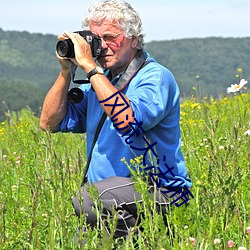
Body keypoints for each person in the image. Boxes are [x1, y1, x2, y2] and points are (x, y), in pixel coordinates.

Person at [40, 0, 192, 245]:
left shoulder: (154, 77)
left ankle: (147, 239)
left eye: (110, 37)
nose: (102, 47)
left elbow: (129, 121)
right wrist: (66, 70)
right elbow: (49, 123)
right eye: (96, 39)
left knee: (88, 199)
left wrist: (90, 67)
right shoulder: (99, 83)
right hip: (110, 199)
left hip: (159, 191)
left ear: (133, 38)